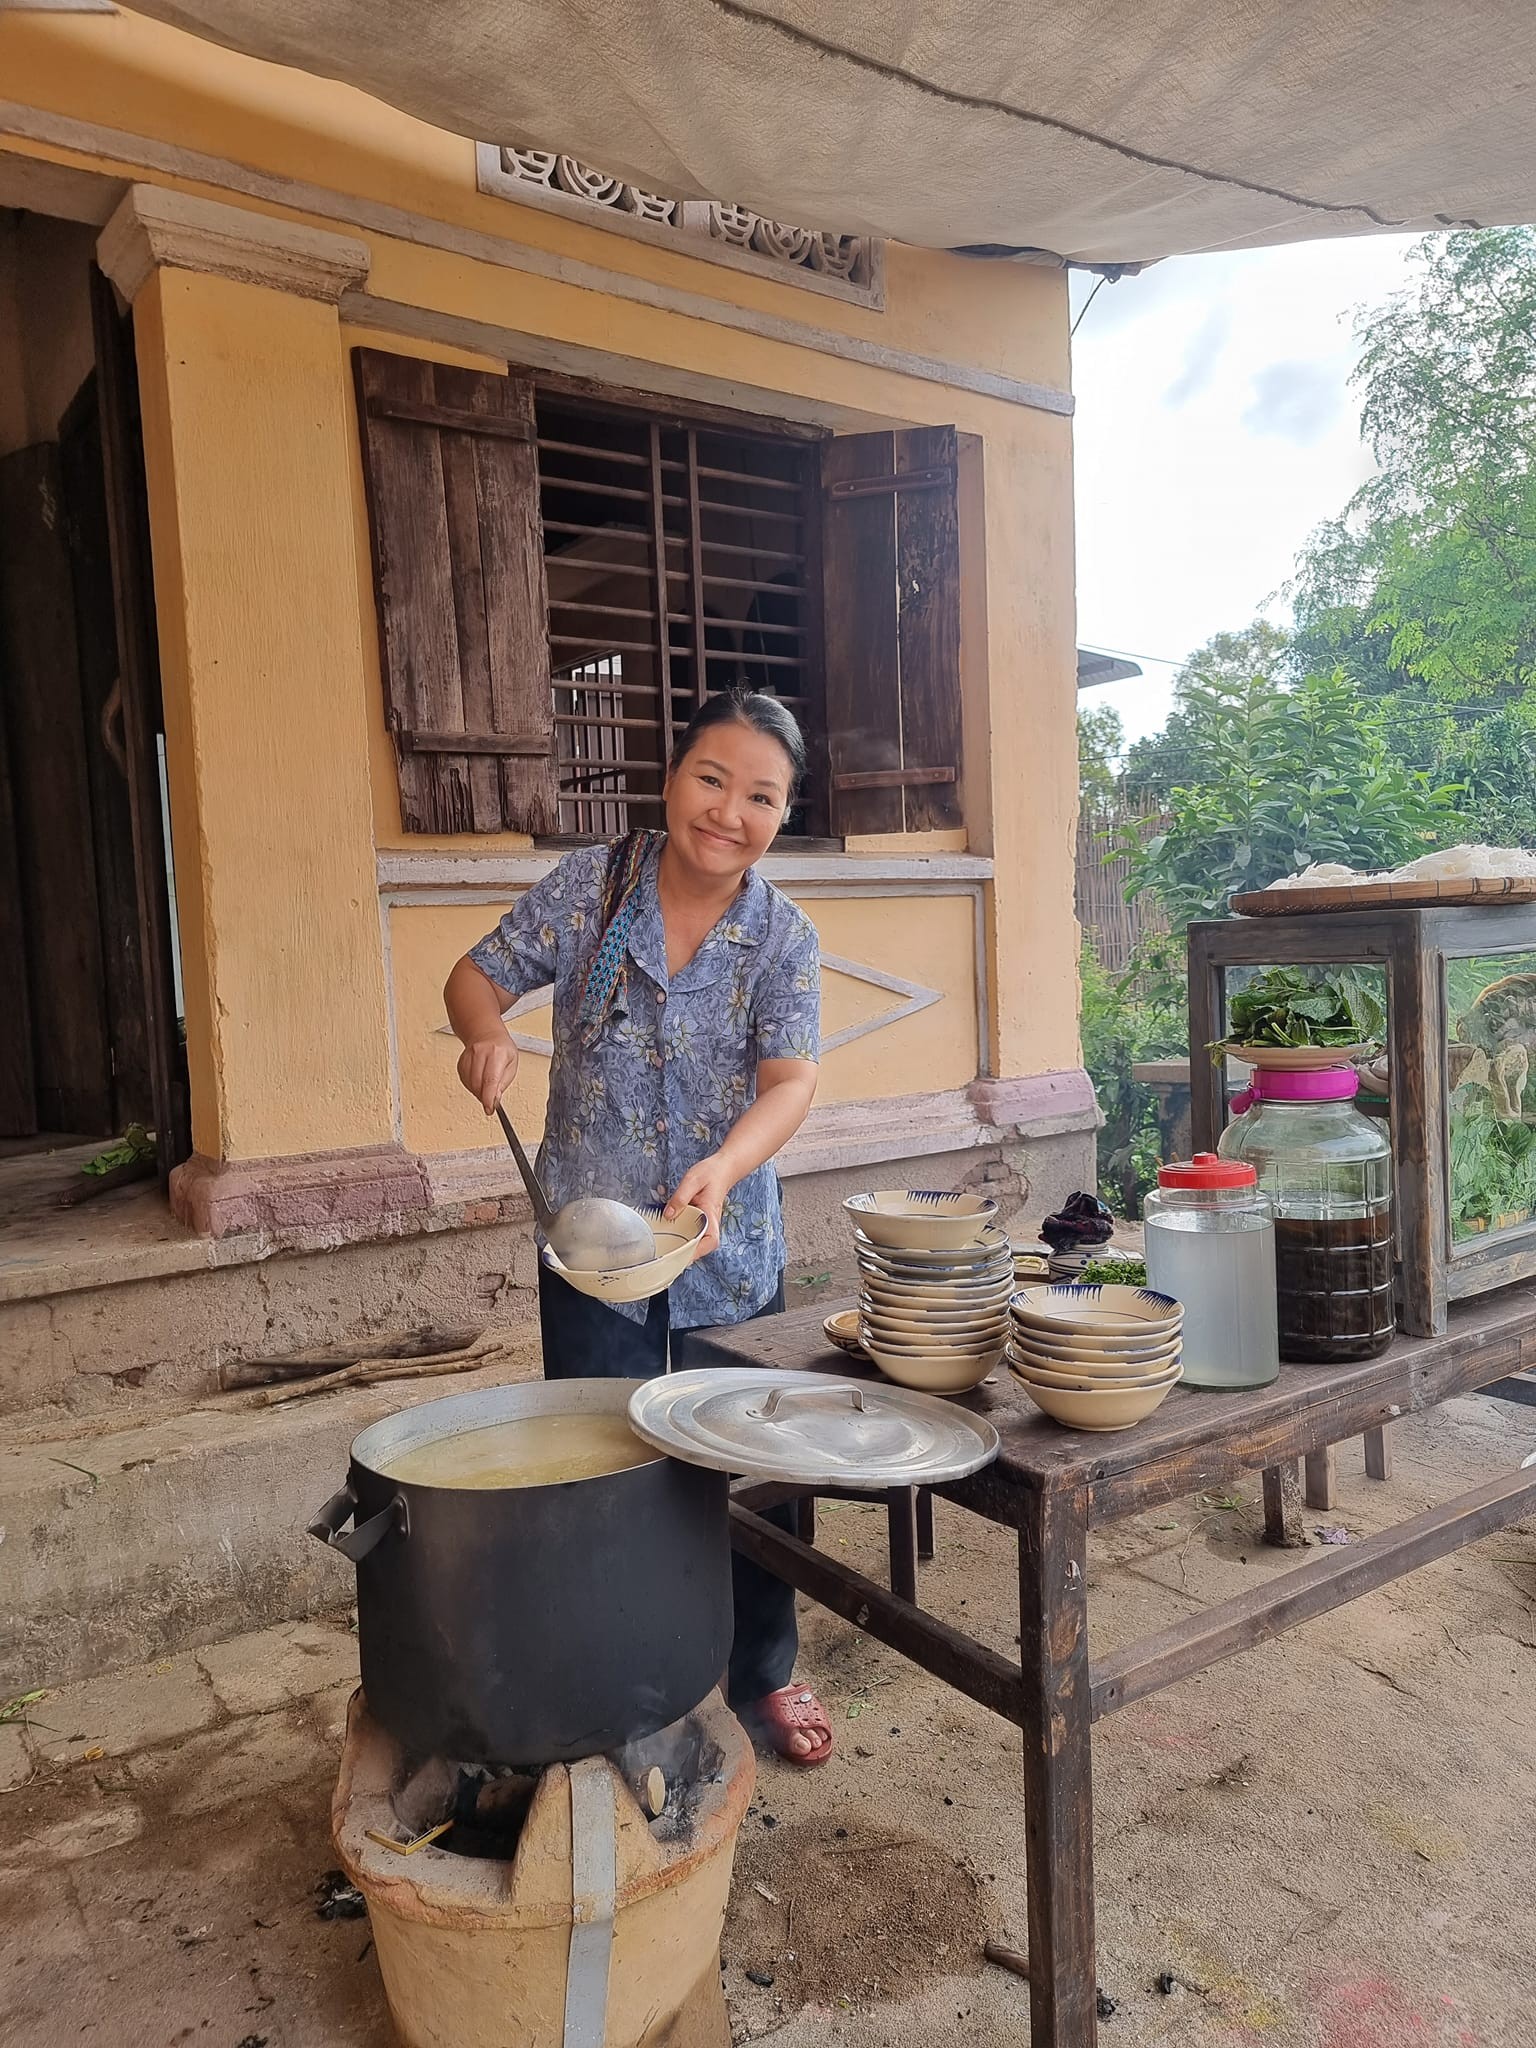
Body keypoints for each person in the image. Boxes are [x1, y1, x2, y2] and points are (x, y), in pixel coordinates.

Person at [444, 689, 833, 1764]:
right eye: (713, 777)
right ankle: (616, 1679)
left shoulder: (782, 937)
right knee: (605, 1466)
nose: (729, 811)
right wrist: (488, 1038)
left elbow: (791, 1080)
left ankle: (761, 1673)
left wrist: (725, 1164)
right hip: (594, 1245)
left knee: (755, 1465)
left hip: (723, 1242)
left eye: (762, 795)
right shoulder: (592, 885)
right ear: (673, 776)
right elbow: (474, 975)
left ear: (784, 812)